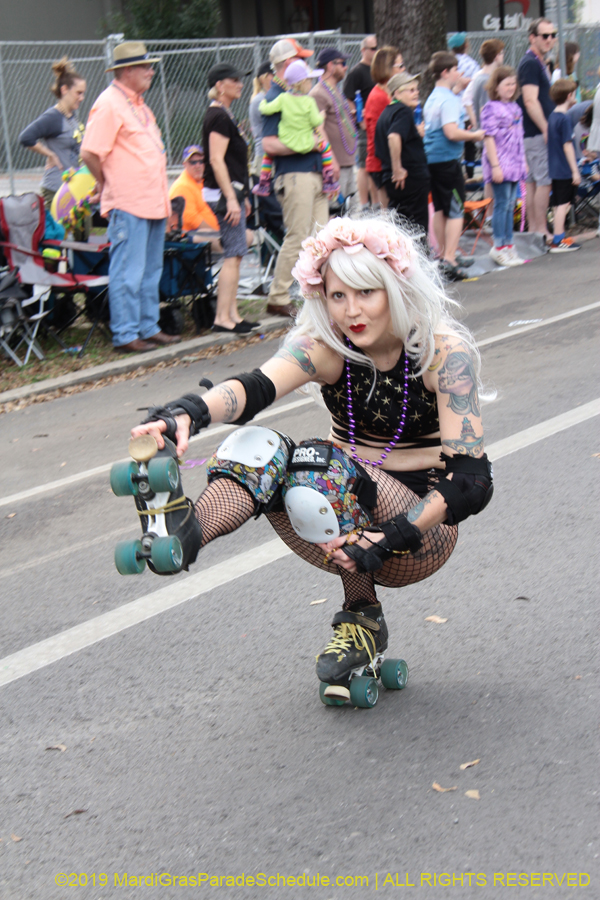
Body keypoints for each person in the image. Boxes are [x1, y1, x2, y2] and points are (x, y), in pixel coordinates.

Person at [128, 212, 494, 695]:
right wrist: (187, 413)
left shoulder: (443, 354)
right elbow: (255, 387)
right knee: (257, 447)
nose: (351, 311)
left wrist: (391, 535)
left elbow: (471, 482)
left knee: (318, 465)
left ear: (395, 289)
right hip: (345, 518)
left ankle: (362, 613)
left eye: (366, 292)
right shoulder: (328, 347)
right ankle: (186, 534)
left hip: (420, 533)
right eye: (337, 296)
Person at [81, 41, 180, 354]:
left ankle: (148, 327)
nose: (151, 71)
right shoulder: (109, 103)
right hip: (128, 202)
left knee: (151, 271)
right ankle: (125, 334)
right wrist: (106, 182)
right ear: (126, 71)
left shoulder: (139, 105)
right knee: (128, 271)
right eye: (145, 67)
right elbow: (89, 152)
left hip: (153, 201)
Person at [261, 38, 328, 319]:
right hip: (294, 175)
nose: (306, 63)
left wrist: (327, 164)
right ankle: (278, 297)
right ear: (288, 63)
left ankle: (318, 293)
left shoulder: (298, 96)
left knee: (322, 237)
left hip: (313, 172)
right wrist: (310, 144)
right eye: (301, 58)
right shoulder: (276, 97)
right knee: (299, 236)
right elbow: (269, 144)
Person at [202, 63, 260, 334]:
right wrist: (231, 198)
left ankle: (232, 314)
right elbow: (216, 159)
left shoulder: (225, 114)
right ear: (219, 85)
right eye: (234, 80)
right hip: (223, 194)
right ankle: (222, 318)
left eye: (240, 79)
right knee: (233, 253)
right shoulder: (218, 117)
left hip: (232, 192)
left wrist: (241, 195)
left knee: (236, 255)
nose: (240, 84)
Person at [423, 52, 485, 281]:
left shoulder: (434, 96)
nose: (459, 73)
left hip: (433, 160)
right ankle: (449, 258)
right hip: (448, 161)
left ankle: (443, 255)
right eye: (456, 69)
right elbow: (450, 132)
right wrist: (474, 135)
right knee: (456, 210)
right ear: (446, 72)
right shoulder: (448, 100)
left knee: (441, 209)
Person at [255, 60, 338, 198]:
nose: (311, 83)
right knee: (325, 147)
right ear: (303, 83)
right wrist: (322, 117)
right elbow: (315, 121)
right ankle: (328, 180)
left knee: (268, 155)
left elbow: (266, 109)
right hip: (306, 141)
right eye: (309, 81)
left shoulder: (282, 98)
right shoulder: (309, 102)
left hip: (287, 139)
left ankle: (264, 182)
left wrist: (263, 102)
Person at [19, 57, 86, 211]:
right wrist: (50, 154)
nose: (82, 98)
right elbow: (26, 137)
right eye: (78, 93)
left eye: (83, 93)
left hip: (74, 189)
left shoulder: (71, 116)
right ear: (64, 90)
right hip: (56, 190)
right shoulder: (53, 117)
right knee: (59, 228)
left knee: (84, 227)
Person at [480, 67, 527, 267]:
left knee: (510, 204)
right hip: (500, 162)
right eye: (506, 84)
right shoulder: (490, 108)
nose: (511, 87)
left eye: (513, 83)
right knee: (502, 203)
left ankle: (509, 244)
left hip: (515, 162)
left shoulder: (516, 108)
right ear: (496, 87)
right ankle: (499, 246)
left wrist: (523, 161)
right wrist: (495, 166)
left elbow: (519, 137)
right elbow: (488, 138)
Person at [517, 18, 557, 242]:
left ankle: (535, 231)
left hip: (533, 133)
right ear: (532, 38)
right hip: (535, 133)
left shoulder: (537, 62)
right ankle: (541, 229)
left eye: (553, 35)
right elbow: (530, 100)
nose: (550, 39)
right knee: (543, 181)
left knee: (533, 182)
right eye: (545, 35)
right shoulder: (530, 63)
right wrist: (546, 128)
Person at [375, 71, 430, 235]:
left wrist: (415, 133)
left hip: (394, 181)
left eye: (416, 89)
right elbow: (393, 137)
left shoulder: (387, 113)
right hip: (408, 180)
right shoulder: (403, 111)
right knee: (416, 230)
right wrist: (397, 168)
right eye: (411, 90)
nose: (416, 93)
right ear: (397, 93)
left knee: (400, 228)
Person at [310, 47, 358, 206]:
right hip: (336, 166)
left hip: (348, 162)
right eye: (342, 63)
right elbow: (318, 129)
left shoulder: (335, 90)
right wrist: (331, 160)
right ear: (331, 65)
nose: (346, 67)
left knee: (352, 212)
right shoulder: (318, 93)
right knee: (336, 212)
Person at [364, 47, 405, 207]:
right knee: (388, 213)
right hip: (381, 164)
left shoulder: (387, 94)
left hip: (386, 163)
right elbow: (381, 135)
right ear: (388, 69)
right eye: (400, 66)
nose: (403, 70)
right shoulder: (379, 97)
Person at [343, 35, 378, 208]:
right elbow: (348, 98)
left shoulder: (377, 70)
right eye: (372, 48)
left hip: (378, 124)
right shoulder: (357, 71)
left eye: (377, 48)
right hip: (366, 126)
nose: (376, 51)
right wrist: (360, 119)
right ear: (363, 50)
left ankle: (375, 201)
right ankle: (364, 204)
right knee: (364, 165)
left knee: (375, 164)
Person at [547, 79, 581, 253]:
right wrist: (575, 170)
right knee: (564, 203)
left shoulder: (552, 117)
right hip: (564, 168)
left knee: (558, 203)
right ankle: (559, 239)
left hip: (554, 167)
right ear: (569, 96)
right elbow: (567, 145)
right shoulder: (565, 119)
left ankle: (558, 235)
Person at [448, 33, 481, 179]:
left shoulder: (449, 63)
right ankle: (470, 173)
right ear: (466, 45)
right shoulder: (472, 64)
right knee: (469, 145)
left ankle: (455, 172)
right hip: (467, 111)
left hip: (452, 110)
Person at [169, 145, 219, 234]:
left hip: (210, 232)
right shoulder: (183, 186)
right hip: (190, 235)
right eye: (193, 162)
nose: (198, 166)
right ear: (184, 164)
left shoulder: (203, 181)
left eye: (201, 161)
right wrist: (218, 233)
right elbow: (191, 219)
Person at [249, 61, 274, 176]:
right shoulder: (260, 100)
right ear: (263, 78)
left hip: (272, 155)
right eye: (273, 74)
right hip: (264, 157)